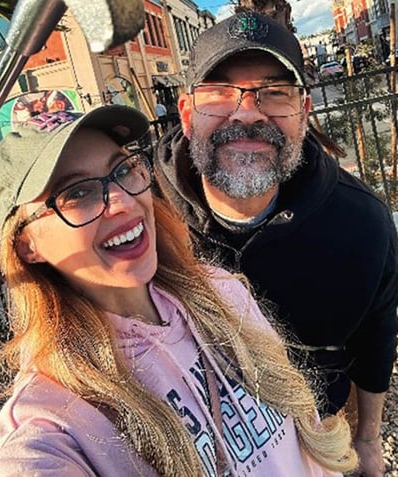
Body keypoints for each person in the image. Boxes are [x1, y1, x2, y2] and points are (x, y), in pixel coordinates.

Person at [0, 106, 358, 476]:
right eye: (77, 193)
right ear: (27, 245)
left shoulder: (222, 293)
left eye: (123, 169)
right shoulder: (53, 423)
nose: (124, 202)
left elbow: (303, 434)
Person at [154, 11, 398, 476]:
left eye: (275, 93)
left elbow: (376, 334)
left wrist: (367, 439)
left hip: (318, 434)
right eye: (220, 92)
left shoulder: (360, 222)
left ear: (304, 113)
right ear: (187, 115)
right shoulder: (143, 218)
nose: (247, 112)